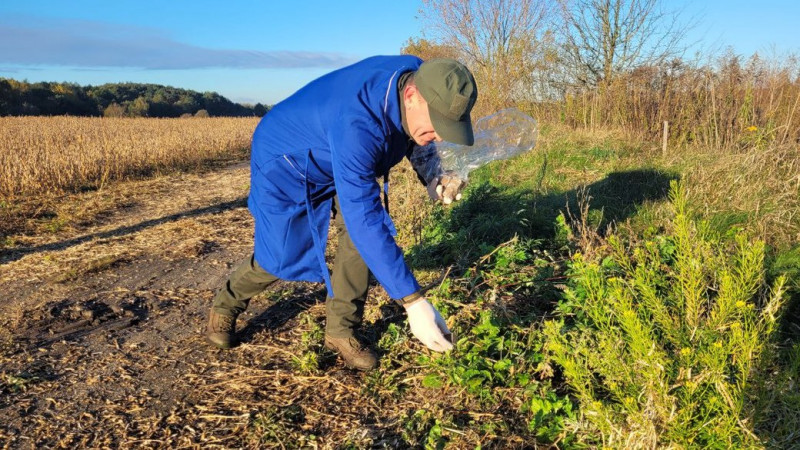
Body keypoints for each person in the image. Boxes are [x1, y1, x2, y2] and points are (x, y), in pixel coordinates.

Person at [205, 55, 477, 370]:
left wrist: (433, 172)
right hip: (286, 162)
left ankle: (341, 330)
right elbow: (364, 217)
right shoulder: (357, 123)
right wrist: (414, 303)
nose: (441, 136)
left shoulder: (425, 76)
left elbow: (414, 138)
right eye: (438, 125)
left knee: (361, 242)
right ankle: (226, 303)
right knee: (281, 256)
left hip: (338, 155)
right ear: (412, 96)